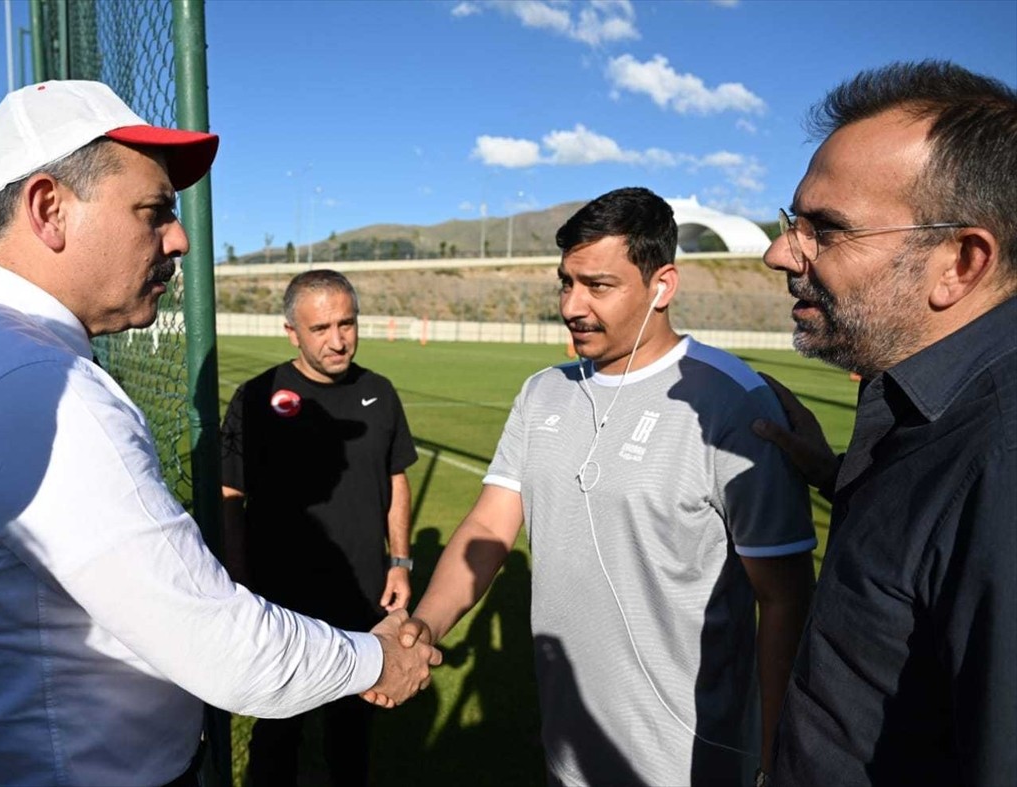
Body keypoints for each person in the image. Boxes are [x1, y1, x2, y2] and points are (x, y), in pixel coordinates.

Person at [0, 80, 439, 787]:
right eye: (155, 211)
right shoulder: (34, 385)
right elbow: (220, 645)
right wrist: (378, 659)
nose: (180, 238)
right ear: (49, 209)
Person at [383, 186, 817, 786]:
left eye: (598, 285)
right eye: (566, 282)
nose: (572, 305)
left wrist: (780, 757)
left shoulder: (731, 402)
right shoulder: (543, 392)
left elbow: (785, 596)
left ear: (662, 286)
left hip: (693, 762)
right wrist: (425, 627)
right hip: (569, 752)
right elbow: (489, 526)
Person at [752, 60, 1016, 786]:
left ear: (960, 263)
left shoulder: (1001, 459)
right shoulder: (924, 408)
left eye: (827, 230)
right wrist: (835, 475)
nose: (779, 253)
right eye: (792, 222)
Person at [221, 269, 418, 786]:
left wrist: (399, 561)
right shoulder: (256, 397)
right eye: (321, 328)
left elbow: (396, 478)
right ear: (292, 332)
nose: (338, 340)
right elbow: (230, 496)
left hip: (361, 594)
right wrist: (238, 576)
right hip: (281, 598)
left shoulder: (379, 392)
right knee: (277, 732)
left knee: (352, 734)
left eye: (346, 324)